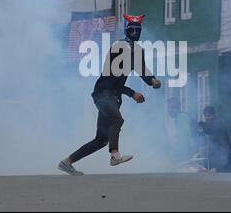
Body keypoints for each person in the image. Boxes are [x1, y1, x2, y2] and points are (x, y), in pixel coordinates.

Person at [59, 14, 161, 175]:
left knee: (101, 140)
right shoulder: (118, 48)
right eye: (132, 29)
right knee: (117, 119)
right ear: (127, 31)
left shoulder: (135, 51)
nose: (135, 32)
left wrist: (153, 80)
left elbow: (141, 69)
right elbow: (112, 80)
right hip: (104, 94)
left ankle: (67, 162)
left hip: (112, 96)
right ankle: (115, 155)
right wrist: (131, 92)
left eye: (138, 30)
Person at [198, 106, 231, 172]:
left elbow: (209, 130)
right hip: (218, 154)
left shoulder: (218, 123)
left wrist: (202, 125)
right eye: (205, 116)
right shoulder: (211, 123)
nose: (206, 118)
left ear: (213, 115)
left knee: (226, 174)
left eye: (208, 116)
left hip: (224, 153)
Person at [165, 97, 200, 165]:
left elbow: (184, 138)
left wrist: (175, 156)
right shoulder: (177, 118)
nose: (170, 110)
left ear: (179, 108)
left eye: (173, 108)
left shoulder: (182, 118)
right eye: (168, 108)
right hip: (184, 155)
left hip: (186, 156)